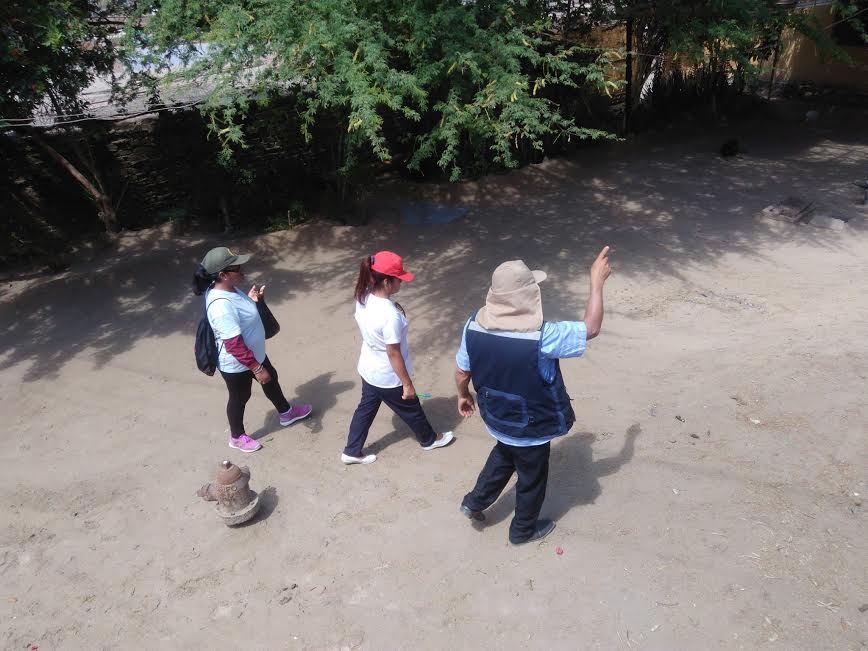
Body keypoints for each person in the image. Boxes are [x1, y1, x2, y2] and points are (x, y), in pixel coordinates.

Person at [454, 247, 611, 544]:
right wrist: (596, 281)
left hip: (497, 416)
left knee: (502, 456)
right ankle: (522, 530)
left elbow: (462, 372)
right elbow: (590, 328)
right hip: (531, 425)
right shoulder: (544, 336)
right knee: (531, 478)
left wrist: (462, 395)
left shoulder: (472, 325)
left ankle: (473, 502)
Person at [192, 246, 312, 452]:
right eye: (237, 268)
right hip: (238, 362)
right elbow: (233, 345)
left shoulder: (228, 288)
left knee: (271, 378)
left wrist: (254, 301)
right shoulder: (221, 306)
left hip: (253, 354)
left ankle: (286, 413)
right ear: (222, 274)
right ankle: (237, 437)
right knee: (240, 397)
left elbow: (241, 313)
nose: (243, 270)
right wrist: (256, 368)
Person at [342, 251, 454, 465]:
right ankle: (429, 439)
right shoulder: (390, 316)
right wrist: (407, 384)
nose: (401, 283)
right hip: (387, 375)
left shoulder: (363, 296)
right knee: (412, 407)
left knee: (365, 409)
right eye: (398, 279)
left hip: (368, 368)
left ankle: (351, 450)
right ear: (386, 281)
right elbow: (393, 353)